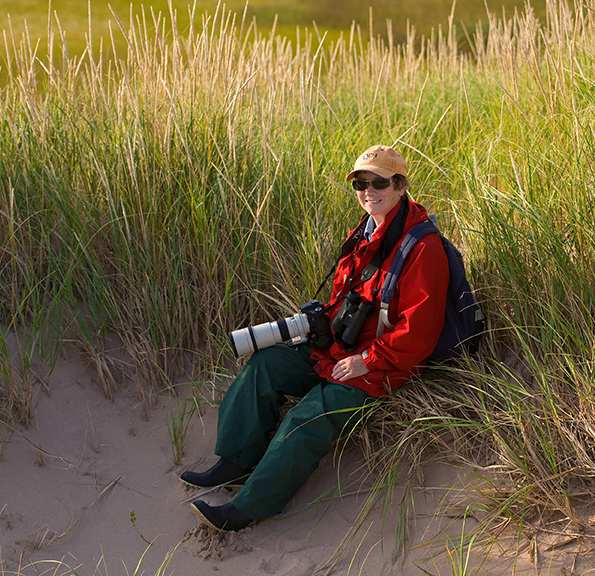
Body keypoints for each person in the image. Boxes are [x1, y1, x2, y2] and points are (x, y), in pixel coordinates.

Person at [180, 145, 450, 531]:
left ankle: (248, 507)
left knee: (308, 416)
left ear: (401, 185)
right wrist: (320, 323)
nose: (368, 190)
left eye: (379, 182)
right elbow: (348, 296)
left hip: (385, 364)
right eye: (360, 182)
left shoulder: (423, 247)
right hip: (340, 346)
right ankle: (235, 461)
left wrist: (367, 360)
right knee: (265, 365)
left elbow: (419, 334)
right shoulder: (366, 229)